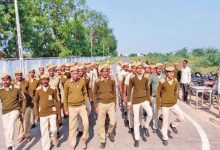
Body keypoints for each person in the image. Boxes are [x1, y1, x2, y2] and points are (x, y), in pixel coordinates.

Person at [156, 66, 184, 146]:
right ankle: (165, 138)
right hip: (165, 105)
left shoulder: (175, 80)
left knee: (182, 117)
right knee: (165, 122)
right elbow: (158, 93)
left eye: (172, 72)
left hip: (173, 104)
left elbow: (176, 90)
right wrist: (158, 104)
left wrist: (175, 99)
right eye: (169, 73)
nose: (171, 74)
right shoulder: (162, 81)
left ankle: (173, 125)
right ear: (166, 73)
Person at [127, 61, 153, 147]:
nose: (139, 70)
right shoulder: (132, 78)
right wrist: (128, 102)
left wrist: (149, 99)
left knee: (150, 113)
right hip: (135, 101)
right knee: (136, 120)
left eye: (141, 68)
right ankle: (137, 139)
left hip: (144, 99)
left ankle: (145, 126)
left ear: (142, 69)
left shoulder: (146, 78)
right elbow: (129, 89)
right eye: (138, 68)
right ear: (136, 70)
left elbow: (148, 89)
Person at [63, 66, 89, 150]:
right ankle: (73, 144)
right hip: (72, 107)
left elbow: (85, 93)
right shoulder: (67, 83)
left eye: (77, 73)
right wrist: (65, 109)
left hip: (81, 106)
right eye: (74, 73)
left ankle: (84, 139)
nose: (76, 75)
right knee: (72, 127)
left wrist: (85, 104)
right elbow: (65, 96)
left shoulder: (82, 81)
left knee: (86, 123)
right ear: (71, 74)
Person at [0, 73, 26, 150]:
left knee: (11, 123)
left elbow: (24, 99)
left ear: (10, 80)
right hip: (5, 112)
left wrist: (23, 111)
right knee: (6, 130)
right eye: (3, 80)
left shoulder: (17, 88)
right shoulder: (0, 90)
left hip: (15, 110)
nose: (5, 81)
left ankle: (10, 145)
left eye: (7, 80)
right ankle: (11, 147)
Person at [34, 73, 60, 150]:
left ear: (48, 80)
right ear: (41, 81)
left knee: (54, 129)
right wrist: (36, 114)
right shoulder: (38, 90)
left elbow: (57, 101)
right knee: (44, 131)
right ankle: (46, 147)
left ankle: (53, 137)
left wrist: (59, 114)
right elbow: (35, 102)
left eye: (46, 79)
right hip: (42, 113)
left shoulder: (53, 88)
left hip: (52, 111)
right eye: (43, 80)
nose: (44, 81)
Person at [93, 64, 116, 149]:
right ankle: (102, 140)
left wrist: (115, 104)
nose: (105, 73)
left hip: (111, 103)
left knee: (113, 122)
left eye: (107, 71)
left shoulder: (112, 80)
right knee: (101, 123)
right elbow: (94, 94)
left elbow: (114, 92)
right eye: (103, 71)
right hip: (101, 104)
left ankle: (110, 132)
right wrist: (96, 106)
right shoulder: (97, 81)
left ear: (108, 72)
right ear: (101, 72)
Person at [14, 69, 33, 143]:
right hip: (17, 106)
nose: (19, 76)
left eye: (20, 75)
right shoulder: (12, 84)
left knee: (27, 120)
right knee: (19, 121)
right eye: (17, 75)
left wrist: (31, 102)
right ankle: (20, 135)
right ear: (15, 76)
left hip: (27, 104)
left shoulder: (26, 82)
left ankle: (27, 135)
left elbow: (30, 93)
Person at [149, 63, 165, 132]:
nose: (159, 70)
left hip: (163, 97)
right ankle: (155, 127)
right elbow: (148, 86)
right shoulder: (152, 76)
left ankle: (160, 121)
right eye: (158, 68)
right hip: (154, 97)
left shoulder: (164, 76)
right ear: (155, 69)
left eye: (160, 68)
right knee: (155, 111)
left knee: (163, 111)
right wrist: (149, 96)